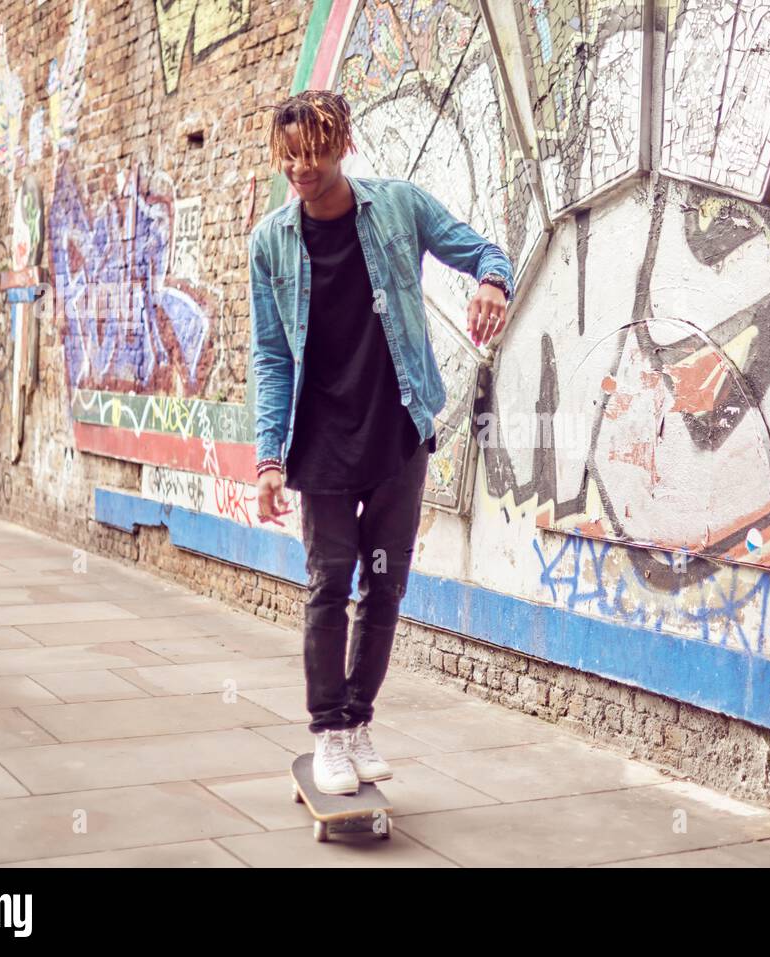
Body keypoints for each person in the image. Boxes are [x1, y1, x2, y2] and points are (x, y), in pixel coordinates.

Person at [247, 90, 514, 795]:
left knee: (386, 585)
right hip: (321, 441)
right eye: (290, 156)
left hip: (397, 429)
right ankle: (327, 732)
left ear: (343, 145)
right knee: (329, 583)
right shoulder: (271, 242)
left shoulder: (397, 206)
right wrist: (269, 456)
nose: (302, 168)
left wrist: (492, 281)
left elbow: (484, 248)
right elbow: (271, 355)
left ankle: (359, 722)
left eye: (315, 152)